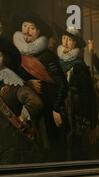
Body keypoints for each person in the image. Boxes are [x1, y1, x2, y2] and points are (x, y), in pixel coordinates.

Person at [13, 15, 69, 162]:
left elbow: (63, 84)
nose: (27, 31)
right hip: (30, 109)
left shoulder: (47, 56)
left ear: (38, 33)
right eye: (25, 26)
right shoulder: (17, 56)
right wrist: (28, 83)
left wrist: (56, 109)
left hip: (50, 109)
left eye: (32, 28)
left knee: (53, 152)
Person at [0, 37, 46, 164]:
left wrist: (22, 118)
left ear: (5, 59)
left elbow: (36, 102)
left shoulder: (13, 82)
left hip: (10, 143)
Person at [57, 27, 98, 161]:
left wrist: (92, 120)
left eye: (70, 40)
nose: (66, 42)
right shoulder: (57, 62)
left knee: (75, 143)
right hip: (60, 108)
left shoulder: (79, 66)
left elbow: (89, 93)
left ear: (75, 44)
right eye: (64, 38)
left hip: (76, 110)